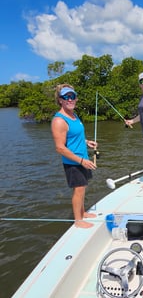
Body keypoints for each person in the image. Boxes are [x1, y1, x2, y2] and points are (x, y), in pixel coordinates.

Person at [51, 84, 97, 228]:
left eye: (72, 96)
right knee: (78, 190)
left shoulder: (73, 115)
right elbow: (60, 147)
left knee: (82, 187)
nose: (70, 100)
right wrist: (81, 160)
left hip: (82, 158)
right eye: (66, 97)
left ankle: (82, 213)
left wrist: (87, 142)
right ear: (60, 100)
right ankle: (78, 220)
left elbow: (72, 137)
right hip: (73, 162)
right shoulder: (59, 120)